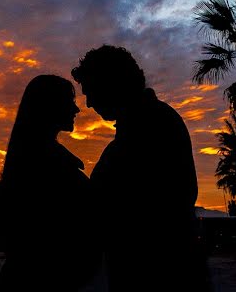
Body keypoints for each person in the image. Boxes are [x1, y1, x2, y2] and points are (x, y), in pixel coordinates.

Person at [72, 45, 208, 292]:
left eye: (91, 91)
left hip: (158, 272)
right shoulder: (145, 122)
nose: (89, 104)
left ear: (112, 83)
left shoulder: (150, 125)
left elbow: (135, 204)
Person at [0, 74, 100, 292]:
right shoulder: (43, 161)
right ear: (49, 106)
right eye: (69, 102)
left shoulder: (36, 156)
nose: (77, 110)